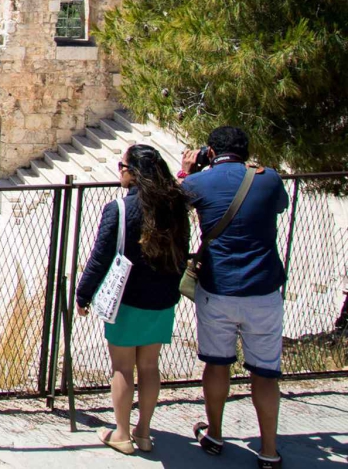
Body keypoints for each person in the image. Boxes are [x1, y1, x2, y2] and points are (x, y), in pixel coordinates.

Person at [182, 126, 290, 468]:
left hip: (218, 288)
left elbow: (172, 201)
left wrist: (190, 170)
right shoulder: (269, 178)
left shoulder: (198, 183)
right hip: (264, 289)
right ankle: (269, 451)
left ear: (210, 152)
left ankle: (214, 434)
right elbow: (280, 206)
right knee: (266, 373)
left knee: (217, 364)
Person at [76, 144, 190, 454]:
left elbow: (100, 256)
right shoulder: (175, 205)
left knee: (122, 368)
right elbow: (184, 248)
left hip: (126, 299)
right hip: (162, 298)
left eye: (122, 166)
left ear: (133, 173)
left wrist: (83, 294)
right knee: (150, 367)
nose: (120, 171)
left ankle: (122, 435)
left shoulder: (119, 208)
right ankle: (144, 432)